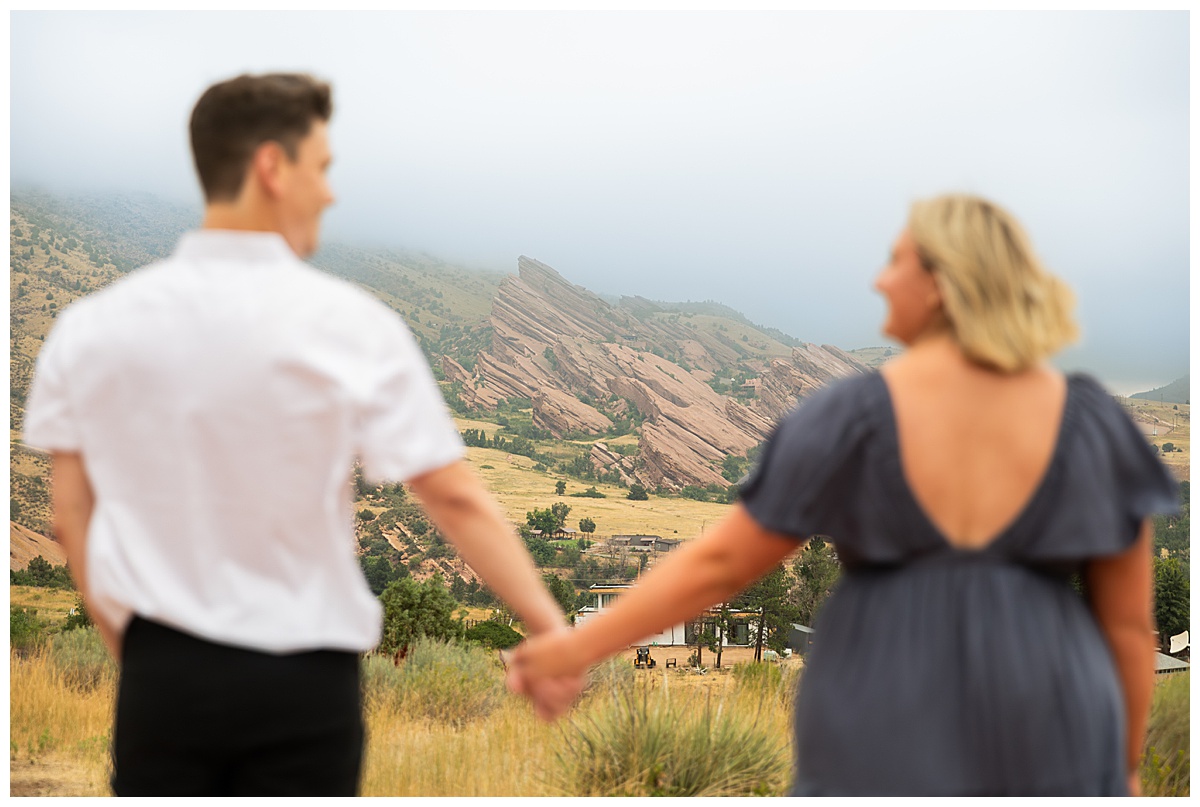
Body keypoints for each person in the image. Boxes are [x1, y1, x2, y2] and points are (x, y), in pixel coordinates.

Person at [22, 72, 581, 797]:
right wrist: (549, 627)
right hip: (302, 683)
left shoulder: (89, 329)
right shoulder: (353, 326)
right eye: (322, 168)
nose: (331, 191)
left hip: (162, 681)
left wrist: (140, 654)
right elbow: (452, 495)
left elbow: (71, 522)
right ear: (271, 166)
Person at [507, 194, 1178, 796]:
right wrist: (1120, 766)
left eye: (898, 261)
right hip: (1057, 727)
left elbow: (722, 564)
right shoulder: (1093, 424)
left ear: (942, 285)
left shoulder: (854, 418)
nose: (880, 279)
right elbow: (1127, 625)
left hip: (884, 721)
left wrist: (575, 647)